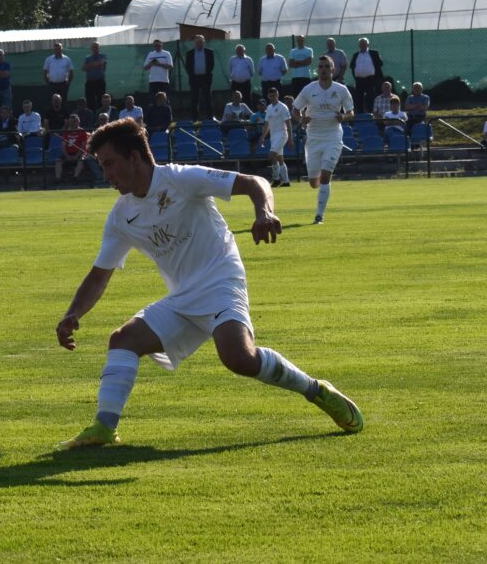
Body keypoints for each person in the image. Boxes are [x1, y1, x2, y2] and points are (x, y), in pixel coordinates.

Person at [53, 118, 363, 450]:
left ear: (134, 157)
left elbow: (255, 182)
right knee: (123, 340)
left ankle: (316, 390)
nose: (106, 175)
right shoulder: (120, 216)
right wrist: (73, 314)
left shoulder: (181, 179)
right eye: (102, 166)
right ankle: (104, 428)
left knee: (238, 358)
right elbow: (100, 274)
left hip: (220, 279)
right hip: (183, 297)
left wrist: (264, 213)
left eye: (110, 164)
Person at [295, 55, 355, 224]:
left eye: (327, 67)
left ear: (333, 69)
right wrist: (301, 119)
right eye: (321, 67)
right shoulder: (309, 89)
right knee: (314, 183)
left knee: (325, 176)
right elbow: (295, 109)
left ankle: (319, 215)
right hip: (313, 139)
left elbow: (351, 112)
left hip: (333, 137)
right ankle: (319, 180)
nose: (323, 69)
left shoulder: (342, 89)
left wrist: (343, 116)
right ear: (317, 69)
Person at [260, 87, 294, 187]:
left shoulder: (283, 107)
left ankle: (276, 179)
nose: (272, 97)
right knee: (279, 158)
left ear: (277, 95)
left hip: (282, 135)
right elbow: (267, 124)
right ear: (268, 96)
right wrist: (262, 137)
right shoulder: (269, 108)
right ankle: (286, 181)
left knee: (271, 155)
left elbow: (288, 124)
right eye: (270, 96)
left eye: (274, 95)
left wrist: (290, 139)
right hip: (274, 136)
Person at [349, 38, 384, 113]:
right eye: (361, 44)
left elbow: (380, 63)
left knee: (371, 96)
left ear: (368, 44)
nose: (363, 45)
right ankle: (360, 112)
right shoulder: (356, 54)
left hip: (371, 79)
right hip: (359, 80)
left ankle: (371, 112)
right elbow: (352, 66)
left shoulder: (374, 53)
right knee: (359, 97)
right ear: (359, 45)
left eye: (364, 44)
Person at [184, 35, 215, 119]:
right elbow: (188, 66)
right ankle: (194, 118)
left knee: (208, 98)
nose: (199, 44)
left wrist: (205, 72)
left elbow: (212, 65)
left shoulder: (209, 52)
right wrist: (193, 74)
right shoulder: (189, 53)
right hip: (194, 79)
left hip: (206, 78)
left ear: (203, 42)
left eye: (201, 42)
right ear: (194, 43)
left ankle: (210, 117)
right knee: (194, 99)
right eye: (197, 42)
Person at [56, 114, 88, 182]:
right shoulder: (66, 132)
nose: (73, 123)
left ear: (78, 122)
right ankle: (58, 178)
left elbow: (83, 146)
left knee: (81, 160)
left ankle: (75, 177)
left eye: (75, 121)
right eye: (71, 122)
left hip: (79, 153)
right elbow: (63, 145)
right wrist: (67, 155)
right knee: (58, 160)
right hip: (68, 153)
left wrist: (76, 156)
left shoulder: (82, 131)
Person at [82, 42, 107, 111]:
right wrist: (96, 64)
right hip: (90, 82)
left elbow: (101, 63)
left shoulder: (103, 55)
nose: (95, 48)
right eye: (94, 47)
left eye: (97, 47)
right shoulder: (87, 57)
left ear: (99, 48)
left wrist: (89, 65)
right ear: (91, 48)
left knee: (101, 100)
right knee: (90, 100)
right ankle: (91, 115)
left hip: (100, 81)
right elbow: (84, 68)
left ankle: (101, 115)